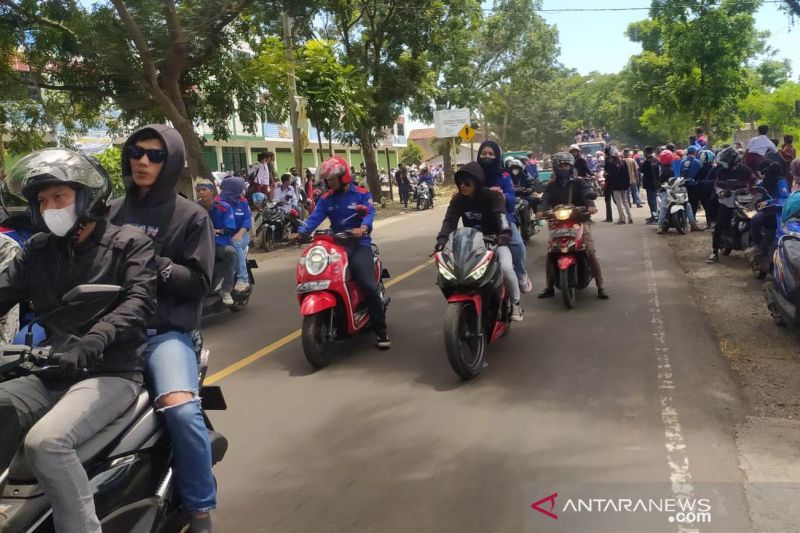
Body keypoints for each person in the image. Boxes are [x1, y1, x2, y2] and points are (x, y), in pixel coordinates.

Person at [0, 148, 157, 533]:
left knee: (46, 444)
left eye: (59, 197)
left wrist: (93, 341)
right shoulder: (37, 252)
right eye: (42, 200)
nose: (50, 206)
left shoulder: (129, 243)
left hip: (110, 372)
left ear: (85, 198)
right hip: (50, 371)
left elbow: (138, 301)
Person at [109, 125, 217, 532]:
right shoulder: (112, 211)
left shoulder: (191, 216)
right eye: (136, 151)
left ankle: (200, 508)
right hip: (112, 331)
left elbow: (199, 285)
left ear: (170, 162)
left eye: (155, 155)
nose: (142, 160)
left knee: (183, 412)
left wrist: (151, 259)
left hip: (164, 335)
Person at [294, 156, 390, 349]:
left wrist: (363, 227)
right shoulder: (326, 199)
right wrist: (301, 233)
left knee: (367, 285)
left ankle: (381, 331)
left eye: (332, 179)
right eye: (327, 180)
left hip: (359, 245)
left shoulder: (362, 194)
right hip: (337, 246)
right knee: (323, 276)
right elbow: (314, 218)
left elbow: (370, 213)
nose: (328, 183)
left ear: (343, 176)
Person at [434, 162, 523, 321]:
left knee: (507, 268)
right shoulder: (458, 200)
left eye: (467, 182)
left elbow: (501, 216)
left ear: (477, 181)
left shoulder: (493, 196)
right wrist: (441, 240)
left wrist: (504, 234)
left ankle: (516, 303)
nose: (462, 186)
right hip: (471, 244)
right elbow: (449, 221)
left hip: (495, 242)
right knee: (452, 274)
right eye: (460, 182)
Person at [537, 152, 609, 299]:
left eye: (567, 165)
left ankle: (601, 286)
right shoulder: (551, 186)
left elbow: (587, 193)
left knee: (590, 251)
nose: (564, 168)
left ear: (571, 166)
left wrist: (590, 205)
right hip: (557, 223)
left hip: (579, 221)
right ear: (556, 167)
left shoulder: (578, 182)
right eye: (561, 165)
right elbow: (545, 199)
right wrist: (540, 211)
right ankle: (549, 286)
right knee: (551, 253)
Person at [476, 140, 532, 292]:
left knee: (518, 244)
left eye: (491, 154)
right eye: (483, 153)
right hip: (478, 220)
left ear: (497, 156)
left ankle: (521, 275)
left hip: (503, 220)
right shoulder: (475, 173)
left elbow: (512, 198)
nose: (487, 156)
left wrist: (502, 196)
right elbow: (465, 187)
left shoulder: (504, 175)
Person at [707, 146, 757, 263]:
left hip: (745, 201)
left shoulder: (746, 170)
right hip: (727, 202)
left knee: (755, 219)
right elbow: (717, 186)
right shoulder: (722, 171)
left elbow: (755, 181)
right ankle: (714, 252)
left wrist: (756, 189)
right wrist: (722, 193)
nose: (723, 164)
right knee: (719, 225)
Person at [196, 180, 237, 306]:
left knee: (230, 252)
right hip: (201, 246)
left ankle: (226, 289)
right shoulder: (194, 208)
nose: (201, 192)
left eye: (204, 189)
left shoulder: (224, 207)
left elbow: (230, 227)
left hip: (219, 245)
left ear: (212, 191)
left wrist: (217, 231)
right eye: (198, 190)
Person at [745, 158, 790, 258]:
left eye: (762, 171)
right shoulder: (766, 181)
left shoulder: (781, 182)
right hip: (767, 209)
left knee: (757, 219)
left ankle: (758, 246)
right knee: (753, 218)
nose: (760, 174)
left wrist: (769, 202)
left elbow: (785, 199)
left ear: (767, 171)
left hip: (779, 211)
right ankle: (757, 245)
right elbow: (757, 189)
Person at [219, 176, 252, 293]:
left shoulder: (243, 202)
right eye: (240, 189)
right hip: (222, 235)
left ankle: (243, 278)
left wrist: (240, 233)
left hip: (241, 235)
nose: (243, 191)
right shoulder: (218, 202)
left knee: (234, 243)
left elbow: (247, 219)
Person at [605, 147, 632, 224]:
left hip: (615, 186)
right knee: (625, 201)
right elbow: (627, 175)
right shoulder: (623, 162)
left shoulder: (610, 163)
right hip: (624, 185)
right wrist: (627, 184)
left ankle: (622, 218)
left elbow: (609, 174)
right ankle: (630, 217)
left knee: (619, 202)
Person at [696, 149, 719, 228]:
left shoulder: (702, 168)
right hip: (713, 190)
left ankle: (709, 222)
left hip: (703, 190)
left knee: (707, 207)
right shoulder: (714, 168)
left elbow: (696, 178)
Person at [680, 146, 702, 214]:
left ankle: (685, 217)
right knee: (694, 202)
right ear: (695, 152)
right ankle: (693, 217)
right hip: (694, 185)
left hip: (684, 185)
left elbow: (680, 173)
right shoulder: (698, 162)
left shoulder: (682, 162)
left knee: (685, 201)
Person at [641, 147, 660, 223]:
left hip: (649, 184)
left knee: (651, 201)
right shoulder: (656, 160)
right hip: (656, 183)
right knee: (654, 200)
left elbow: (642, 170)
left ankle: (655, 218)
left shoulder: (647, 162)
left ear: (646, 153)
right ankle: (654, 216)